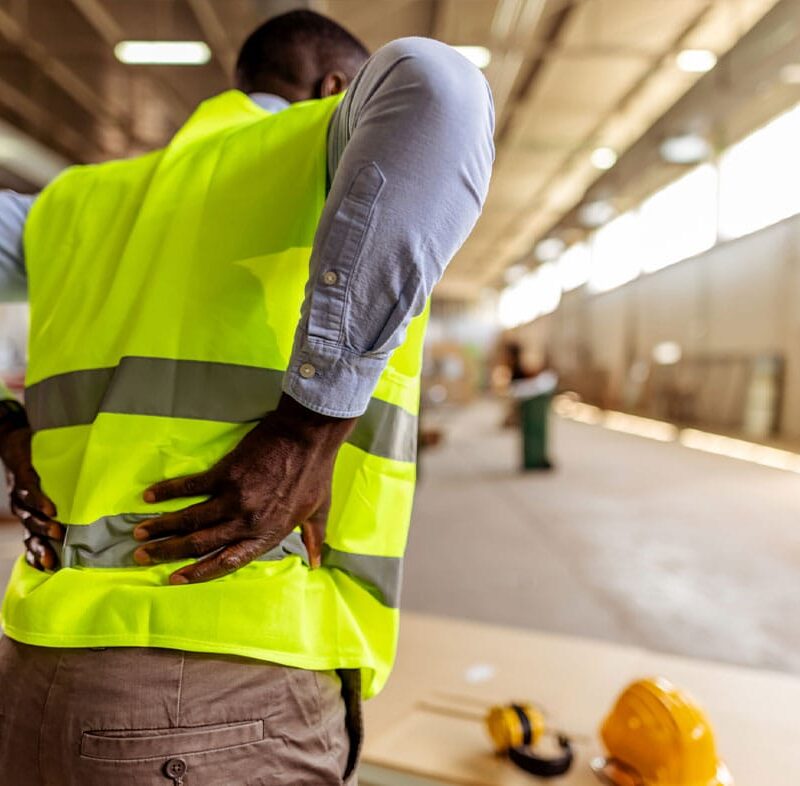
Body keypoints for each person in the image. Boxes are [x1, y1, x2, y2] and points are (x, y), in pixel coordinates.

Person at [0, 9, 494, 785]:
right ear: (338, 89)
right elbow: (439, 87)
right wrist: (306, 430)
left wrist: (3, 425)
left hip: (34, 676)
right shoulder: (313, 145)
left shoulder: (68, 205)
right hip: (225, 686)